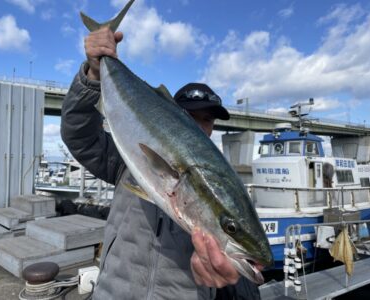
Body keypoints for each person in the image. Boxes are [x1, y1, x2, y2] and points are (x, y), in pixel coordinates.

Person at [61, 26, 258, 299]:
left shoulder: (225, 188)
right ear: (171, 116)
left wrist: (219, 278)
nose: (200, 127)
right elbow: (79, 136)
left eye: (207, 120)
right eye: (189, 117)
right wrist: (93, 74)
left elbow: (235, 259)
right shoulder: (128, 160)